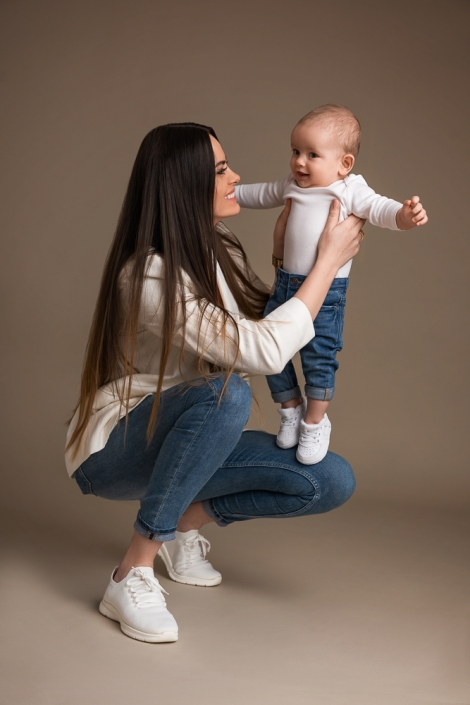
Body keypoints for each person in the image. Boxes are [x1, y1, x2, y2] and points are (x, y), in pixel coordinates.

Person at [65, 122, 364, 644]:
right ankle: (132, 571)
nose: (237, 178)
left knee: (328, 479)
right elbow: (263, 351)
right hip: (117, 451)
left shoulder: (216, 242)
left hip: (189, 440)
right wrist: (327, 264)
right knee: (226, 392)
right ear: (186, 184)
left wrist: (282, 263)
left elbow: (253, 330)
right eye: (222, 169)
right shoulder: (149, 276)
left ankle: (185, 522)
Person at [235, 104, 428, 465]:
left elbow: (381, 209)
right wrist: (228, 193)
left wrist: (404, 216)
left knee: (319, 358)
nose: (299, 162)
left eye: (312, 154)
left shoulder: (349, 189)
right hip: (285, 285)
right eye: (295, 151)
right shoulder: (292, 186)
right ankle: (291, 408)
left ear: (345, 164)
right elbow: (258, 194)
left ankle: (314, 421)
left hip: (326, 296)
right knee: (267, 353)